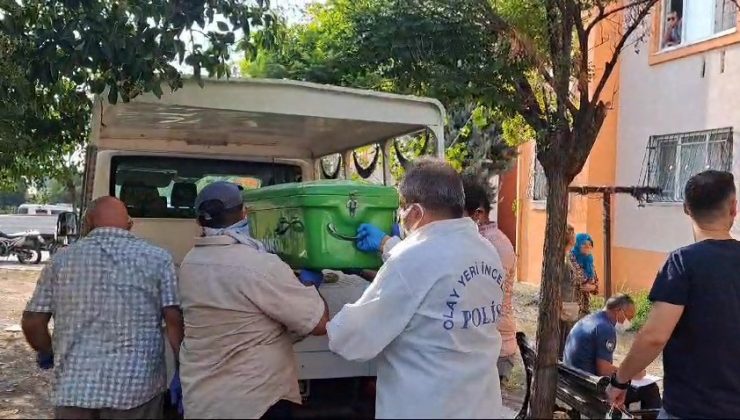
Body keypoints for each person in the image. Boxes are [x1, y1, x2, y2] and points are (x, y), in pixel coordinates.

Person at [328, 158, 505, 419]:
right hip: (480, 407)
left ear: (416, 213)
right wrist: (389, 248)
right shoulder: (486, 252)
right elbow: (435, 270)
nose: (400, 217)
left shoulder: (410, 260)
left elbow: (351, 340)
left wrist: (324, 315)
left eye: (401, 209)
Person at [21, 196, 184, 420]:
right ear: (129, 225)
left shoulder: (61, 260)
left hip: (74, 392)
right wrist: (181, 370)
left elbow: (33, 321)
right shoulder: (159, 259)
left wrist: (47, 350)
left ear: (88, 222)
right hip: (136, 392)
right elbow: (174, 320)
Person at [177, 181, 329, 419]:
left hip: (203, 400)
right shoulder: (259, 265)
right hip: (256, 402)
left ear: (199, 222)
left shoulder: (190, 262)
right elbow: (319, 323)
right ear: (245, 213)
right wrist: (309, 284)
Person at [607, 170, 740, 419]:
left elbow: (654, 336)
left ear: (686, 209)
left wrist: (620, 381)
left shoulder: (683, 263)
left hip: (690, 409)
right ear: (734, 208)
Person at [461, 175, 518, 382]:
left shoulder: (491, 245)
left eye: (459, 217)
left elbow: (479, 294)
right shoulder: (486, 241)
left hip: (496, 348)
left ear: (478, 214)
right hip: (488, 346)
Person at [564, 294, 661, 413]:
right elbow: (603, 370)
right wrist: (632, 373)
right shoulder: (606, 328)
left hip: (573, 379)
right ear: (618, 311)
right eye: (629, 318)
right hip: (589, 387)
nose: (629, 322)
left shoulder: (590, 319)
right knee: (649, 389)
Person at [559, 224, 580, 358]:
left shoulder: (568, 256)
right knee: (563, 338)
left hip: (570, 303)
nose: (574, 236)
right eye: (571, 233)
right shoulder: (561, 258)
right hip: (563, 306)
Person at [570, 233, 599, 317]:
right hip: (572, 305)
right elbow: (579, 278)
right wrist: (590, 283)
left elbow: (596, 284)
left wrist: (593, 287)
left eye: (590, 244)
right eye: (584, 244)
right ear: (577, 244)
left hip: (585, 307)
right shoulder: (571, 257)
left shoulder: (589, 261)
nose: (588, 247)